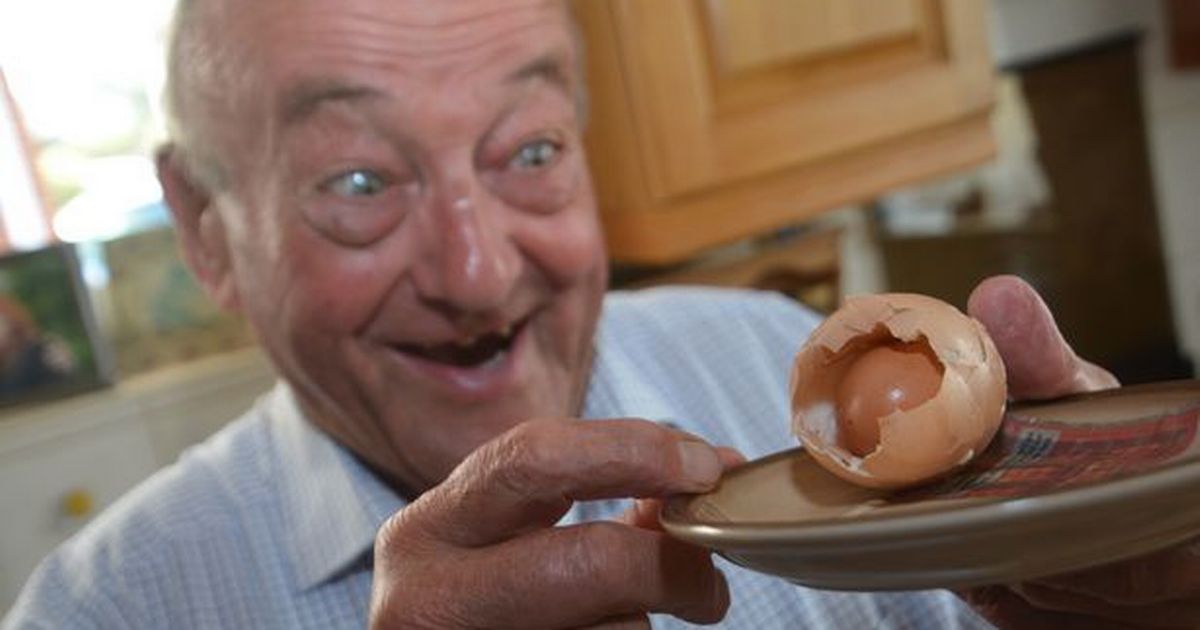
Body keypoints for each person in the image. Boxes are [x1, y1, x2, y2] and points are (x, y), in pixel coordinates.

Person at [4, 0, 1197, 627]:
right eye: (359, 182)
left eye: (528, 150)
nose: (476, 275)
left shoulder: (775, 370)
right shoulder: (101, 613)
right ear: (207, 227)